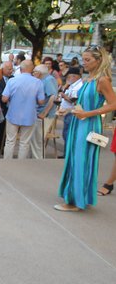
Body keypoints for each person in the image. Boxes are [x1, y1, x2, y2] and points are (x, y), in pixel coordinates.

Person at [56, 46, 116, 211]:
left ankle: (74, 202)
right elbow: (84, 103)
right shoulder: (89, 78)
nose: (84, 62)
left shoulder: (102, 80)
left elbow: (114, 104)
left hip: (89, 124)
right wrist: (68, 110)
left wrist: (89, 113)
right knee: (75, 158)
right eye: (84, 59)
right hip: (80, 122)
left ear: (98, 61)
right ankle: (79, 198)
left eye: (88, 59)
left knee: (81, 160)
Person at [1, 60, 45, 159]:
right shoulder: (38, 82)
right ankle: (21, 164)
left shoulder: (12, 81)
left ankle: (6, 162)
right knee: (25, 142)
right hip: (29, 115)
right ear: (32, 70)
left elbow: (4, 98)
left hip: (13, 114)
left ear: (20, 69)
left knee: (10, 141)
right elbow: (41, 101)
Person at [30, 64, 58, 159]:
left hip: (43, 114)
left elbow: (53, 96)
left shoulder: (48, 80)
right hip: (39, 113)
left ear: (39, 73)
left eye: (34, 71)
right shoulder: (42, 80)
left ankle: (38, 160)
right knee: (35, 139)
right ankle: (33, 158)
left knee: (38, 139)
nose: (32, 73)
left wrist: (44, 113)